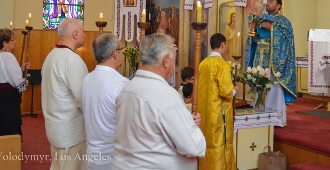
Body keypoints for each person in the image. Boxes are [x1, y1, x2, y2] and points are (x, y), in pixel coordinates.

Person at [113, 33, 206, 170]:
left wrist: (185, 120)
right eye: (174, 58)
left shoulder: (127, 88)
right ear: (166, 60)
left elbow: (147, 130)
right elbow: (195, 146)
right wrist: (191, 128)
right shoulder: (165, 95)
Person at [41, 18, 88, 170]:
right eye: (83, 32)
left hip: (55, 127)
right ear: (75, 34)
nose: (85, 35)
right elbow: (83, 98)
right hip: (70, 132)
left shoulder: (51, 55)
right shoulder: (72, 60)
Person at [246, 0, 297, 125]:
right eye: (267, 1)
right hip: (259, 59)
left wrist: (272, 28)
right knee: (259, 89)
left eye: (271, 1)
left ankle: (275, 119)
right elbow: (255, 40)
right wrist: (253, 31)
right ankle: (259, 116)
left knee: (273, 89)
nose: (267, 4)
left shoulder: (283, 21)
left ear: (278, 6)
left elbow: (287, 40)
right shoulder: (260, 19)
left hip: (273, 63)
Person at [82, 33, 129, 170]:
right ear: (115, 54)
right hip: (111, 158)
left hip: (91, 154)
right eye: (121, 50)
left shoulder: (87, 79)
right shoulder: (120, 83)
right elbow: (130, 122)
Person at [198, 33, 238, 170]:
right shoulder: (222, 65)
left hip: (205, 113)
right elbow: (226, 92)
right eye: (226, 45)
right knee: (219, 143)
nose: (226, 48)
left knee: (207, 141)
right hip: (218, 114)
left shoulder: (203, 64)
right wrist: (235, 90)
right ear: (222, 44)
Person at [0, 28, 29, 137]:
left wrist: (20, 69)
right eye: (12, 39)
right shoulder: (9, 56)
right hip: (8, 98)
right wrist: (24, 83)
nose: (15, 41)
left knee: (0, 122)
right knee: (10, 123)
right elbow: (16, 80)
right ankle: (10, 148)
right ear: (5, 43)